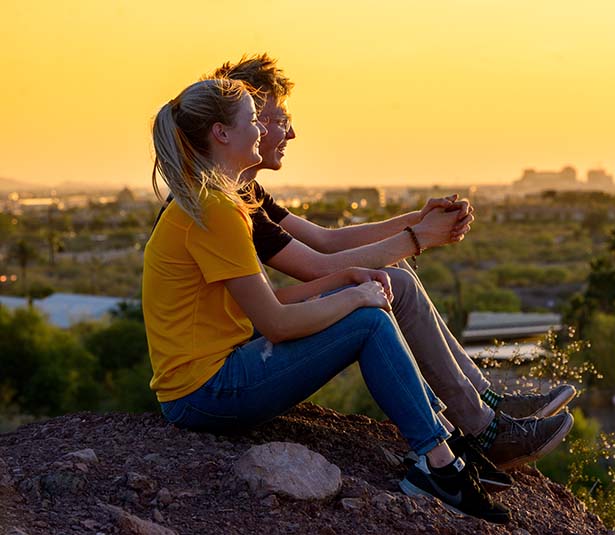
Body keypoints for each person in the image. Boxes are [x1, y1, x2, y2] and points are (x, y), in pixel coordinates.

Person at [143, 78, 509, 523]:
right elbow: (276, 323)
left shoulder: (215, 201)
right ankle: (440, 464)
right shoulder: (215, 209)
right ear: (222, 133)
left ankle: (448, 440)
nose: (262, 129)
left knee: (363, 301)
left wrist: (346, 279)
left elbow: (263, 304)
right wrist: (356, 296)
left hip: (209, 376)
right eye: (255, 120)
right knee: (368, 321)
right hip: (204, 393)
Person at [206, 54, 577, 472]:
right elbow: (314, 266)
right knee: (391, 282)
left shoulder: (244, 190)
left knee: (393, 273)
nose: (290, 132)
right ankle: (482, 428)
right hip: (232, 355)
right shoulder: (221, 201)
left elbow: (327, 241)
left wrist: (414, 222)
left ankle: (483, 403)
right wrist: (418, 239)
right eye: (272, 120)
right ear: (233, 126)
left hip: (244, 329)